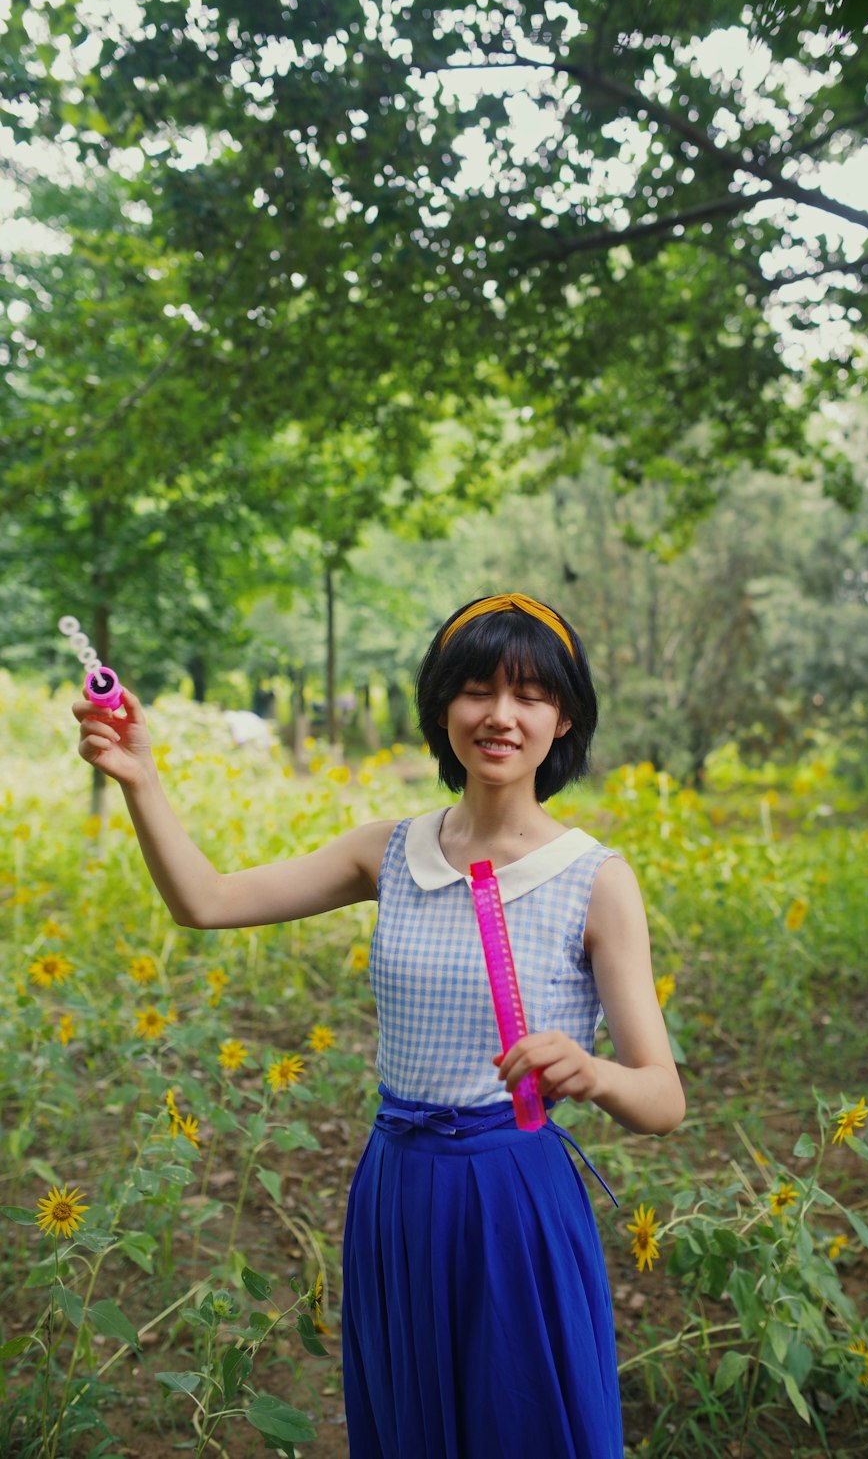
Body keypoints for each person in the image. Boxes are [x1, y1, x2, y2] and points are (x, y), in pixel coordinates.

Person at [74, 592, 685, 1459]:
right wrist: (141, 776)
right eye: (476, 689)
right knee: (411, 1423)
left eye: (530, 695)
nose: (500, 716)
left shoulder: (593, 880)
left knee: (519, 1424)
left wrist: (592, 1071)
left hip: (512, 1195)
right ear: (442, 707)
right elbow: (205, 901)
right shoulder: (390, 852)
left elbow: (663, 1098)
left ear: (565, 718)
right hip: (396, 1187)